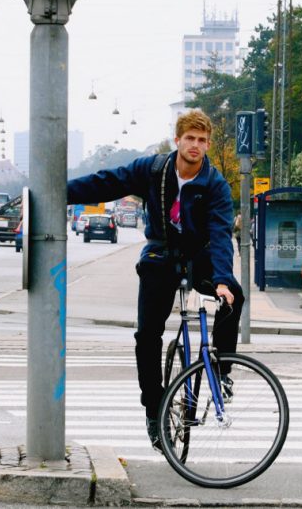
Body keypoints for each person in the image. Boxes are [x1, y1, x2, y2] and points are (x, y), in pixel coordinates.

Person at [67, 110, 243, 450]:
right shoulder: (152, 170)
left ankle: (222, 373)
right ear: (177, 140)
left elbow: (221, 234)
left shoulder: (216, 185)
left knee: (233, 295)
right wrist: (59, 191)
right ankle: (154, 408)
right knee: (147, 334)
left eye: (202, 140)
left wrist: (222, 279)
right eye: (189, 138)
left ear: (208, 145)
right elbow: (107, 182)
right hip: (161, 253)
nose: (195, 145)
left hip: (199, 255)